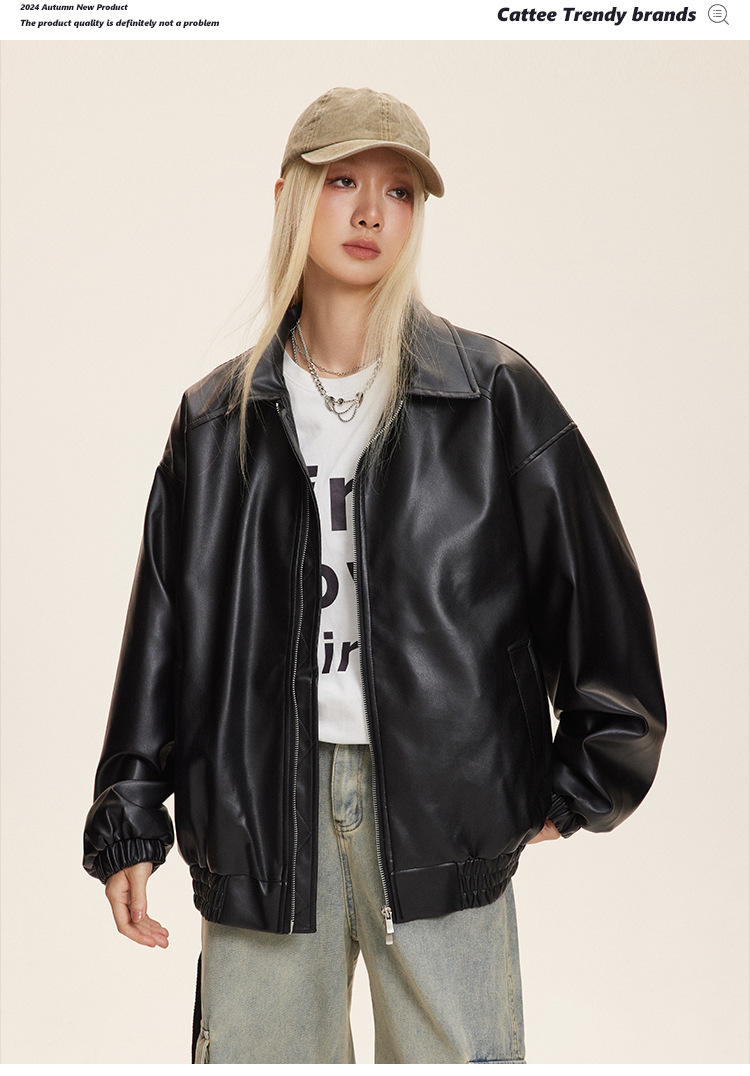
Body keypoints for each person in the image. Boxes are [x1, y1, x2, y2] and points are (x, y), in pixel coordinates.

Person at [83, 86, 666, 1064]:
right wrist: (130, 813)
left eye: (399, 191)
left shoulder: (491, 398)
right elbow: (163, 633)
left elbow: (598, 602)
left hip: (446, 813)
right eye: (342, 181)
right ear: (288, 195)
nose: (369, 213)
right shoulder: (216, 421)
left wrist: (578, 782)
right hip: (260, 816)